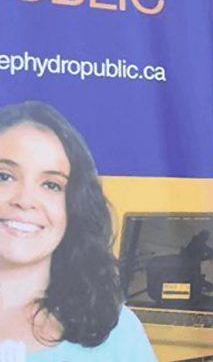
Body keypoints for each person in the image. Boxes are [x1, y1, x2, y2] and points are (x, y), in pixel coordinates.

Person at [0, 101, 156, 362]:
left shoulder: (117, 332)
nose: (25, 200)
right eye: (4, 176)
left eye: (51, 185)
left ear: (74, 205)